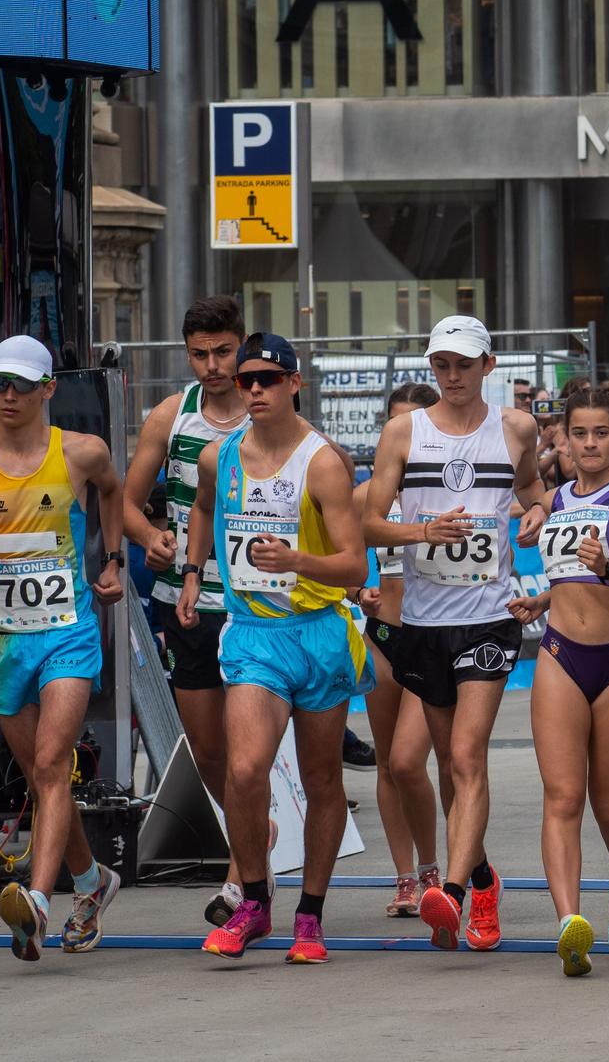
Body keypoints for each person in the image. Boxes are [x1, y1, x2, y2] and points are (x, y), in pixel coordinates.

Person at [0, 335, 126, 961]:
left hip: (68, 632)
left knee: (49, 767)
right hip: (3, 643)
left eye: (20, 384)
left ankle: (37, 902)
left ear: (48, 389)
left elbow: (114, 492)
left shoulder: (82, 452)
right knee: (45, 783)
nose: (8, 395)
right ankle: (92, 885)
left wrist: (114, 558)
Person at [182, 334, 372, 962]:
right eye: (246, 381)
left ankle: (310, 914)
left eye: (267, 378)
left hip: (317, 633)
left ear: (295, 383)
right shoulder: (219, 456)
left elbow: (353, 567)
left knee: (322, 778)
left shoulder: (322, 463)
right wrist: (192, 570)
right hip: (253, 635)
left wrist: (297, 560)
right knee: (244, 770)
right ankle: (257, 901)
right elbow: (204, 508)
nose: (255, 389)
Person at [362, 316, 549, 952]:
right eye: (442, 364)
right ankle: (486, 881)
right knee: (446, 764)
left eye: (464, 364)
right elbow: (368, 522)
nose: (453, 375)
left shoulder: (516, 427)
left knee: (467, 757)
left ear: (488, 366)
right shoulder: (403, 432)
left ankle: (457, 893)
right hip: (423, 621)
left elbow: (531, 488)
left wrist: (537, 514)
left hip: (489, 615)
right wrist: (420, 533)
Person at [506, 387, 609, 975]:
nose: (590, 444)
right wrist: (545, 597)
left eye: (602, 433)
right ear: (563, 438)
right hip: (558, 654)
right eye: (579, 433)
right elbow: (570, 571)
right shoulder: (553, 499)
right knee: (563, 796)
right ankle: (570, 924)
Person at [120, 295, 252, 927]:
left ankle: (240, 877)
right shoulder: (171, 416)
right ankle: (254, 842)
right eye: (199, 354)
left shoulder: (269, 413)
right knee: (208, 753)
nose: (212, 366)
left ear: (241, 344)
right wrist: (149, 539)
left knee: (252, 747)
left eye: (223, 351)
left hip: (258, 609)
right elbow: (125, 501)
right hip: (187, 603)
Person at [356, 382, 447, 918]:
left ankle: (437, 867)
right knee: (388, 764)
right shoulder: (367, 495)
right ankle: (405, 878)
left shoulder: (448, 488)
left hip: (434, 635)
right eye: (396, 425)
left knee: (414, 763)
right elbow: (343, 554)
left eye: (415, 425)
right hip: (383, 636)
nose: (405, 435)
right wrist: (354, 590)